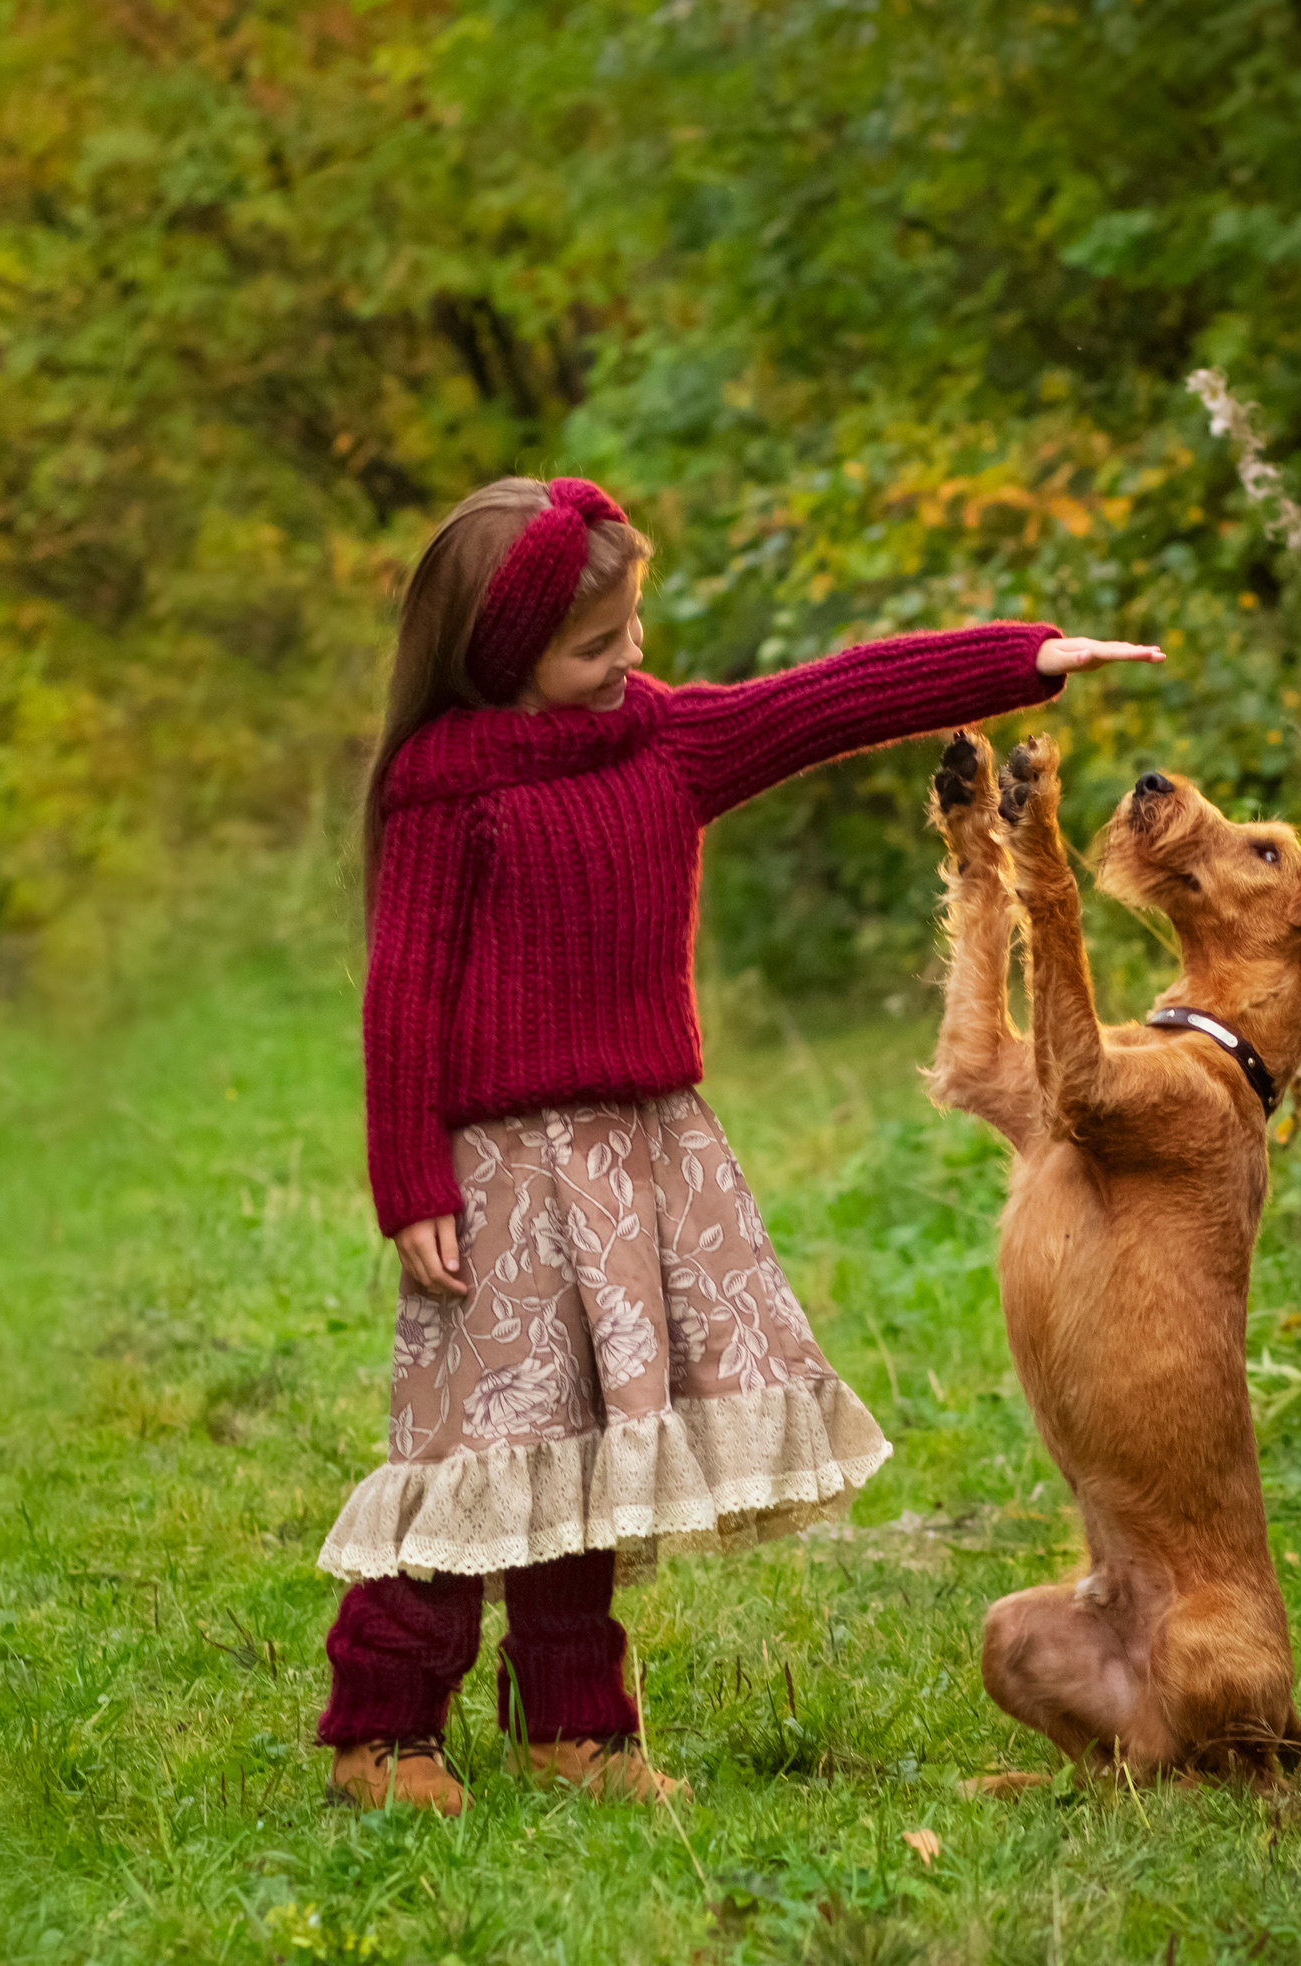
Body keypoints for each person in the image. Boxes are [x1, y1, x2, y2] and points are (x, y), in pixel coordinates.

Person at [316, 475, 1163, 1812]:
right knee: (482, 1442)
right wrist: (408, 1177)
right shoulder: (447, 788)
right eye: (599, 645)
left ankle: (578, 1726)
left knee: (594, 1440)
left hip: (641, 1152)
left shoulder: (664, 742)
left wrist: (1021, 659)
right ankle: (380, 1726)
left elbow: (827, 697)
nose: (633, 657)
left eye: (634, 626)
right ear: (500, 656)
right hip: (496, 1174)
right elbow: (402, 992)